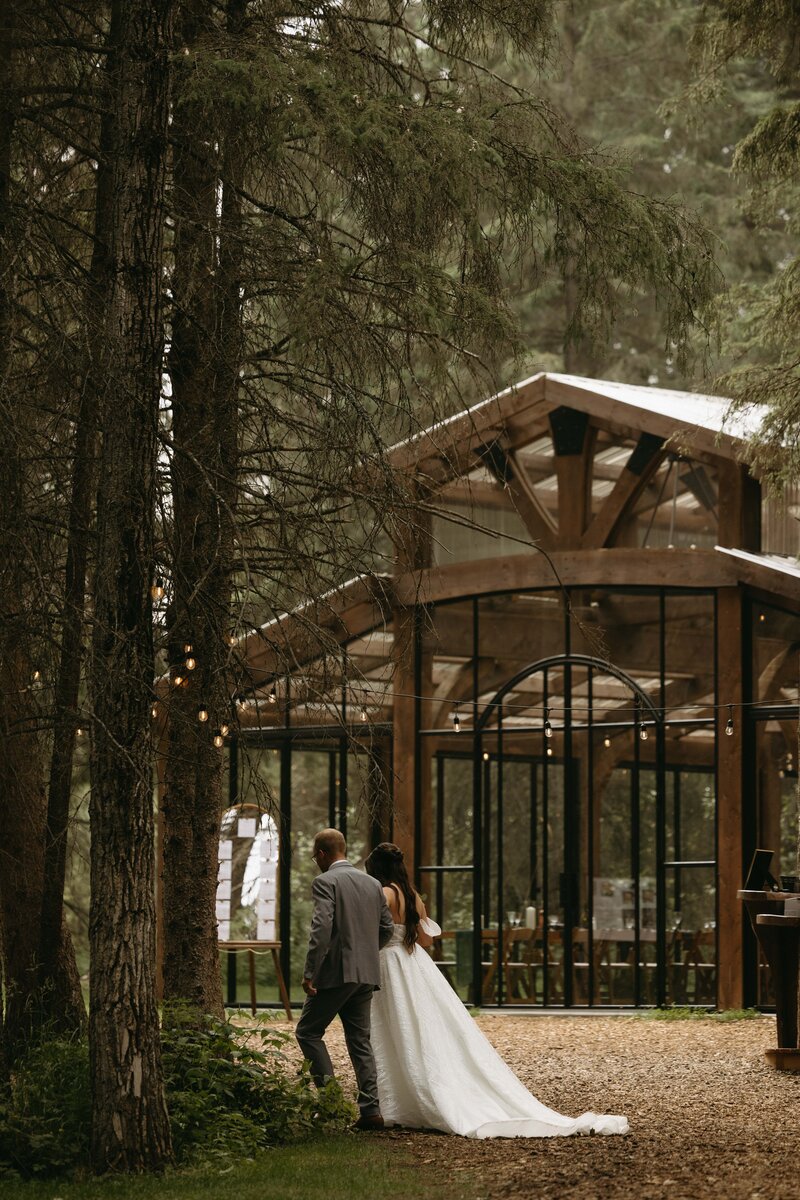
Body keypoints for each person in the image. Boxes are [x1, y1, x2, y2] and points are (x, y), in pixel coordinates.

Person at [364, 842, 629, 1139]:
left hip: (389, 961)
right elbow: (426, 941)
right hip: (413, 963)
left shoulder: (384, 894)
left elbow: (374, 931)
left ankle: (401, 1099)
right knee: (421, 1025)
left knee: (397, 1028)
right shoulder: (413, 896)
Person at [296, 828, 394, 1130]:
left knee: (308, 1032)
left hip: (336, 973)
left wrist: (310, 971)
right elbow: (387, 928)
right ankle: (371, 1112)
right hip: (365, 974)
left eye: (316, 857)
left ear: (323, 854)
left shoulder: (326, 882)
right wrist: (365, 952)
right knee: (360, 1041)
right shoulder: (372, 883)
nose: (316, 862)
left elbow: (322, 928)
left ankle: (330, 1104)